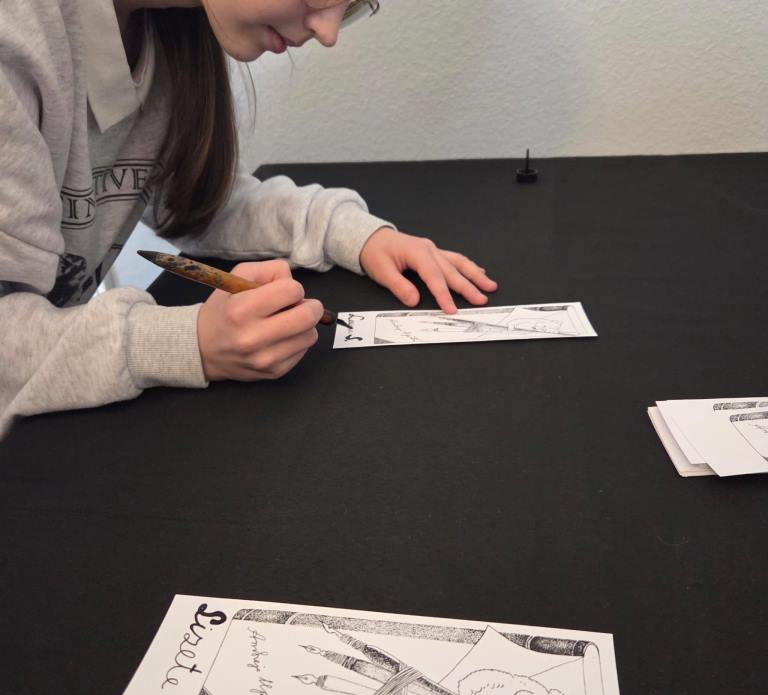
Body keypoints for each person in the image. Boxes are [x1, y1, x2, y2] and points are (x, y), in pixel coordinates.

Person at [0, 0, 497, 437]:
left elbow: (201, 201)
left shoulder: (166, 29)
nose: (327, 33)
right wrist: (186, 342)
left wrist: (351, 234)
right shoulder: (15, 34)